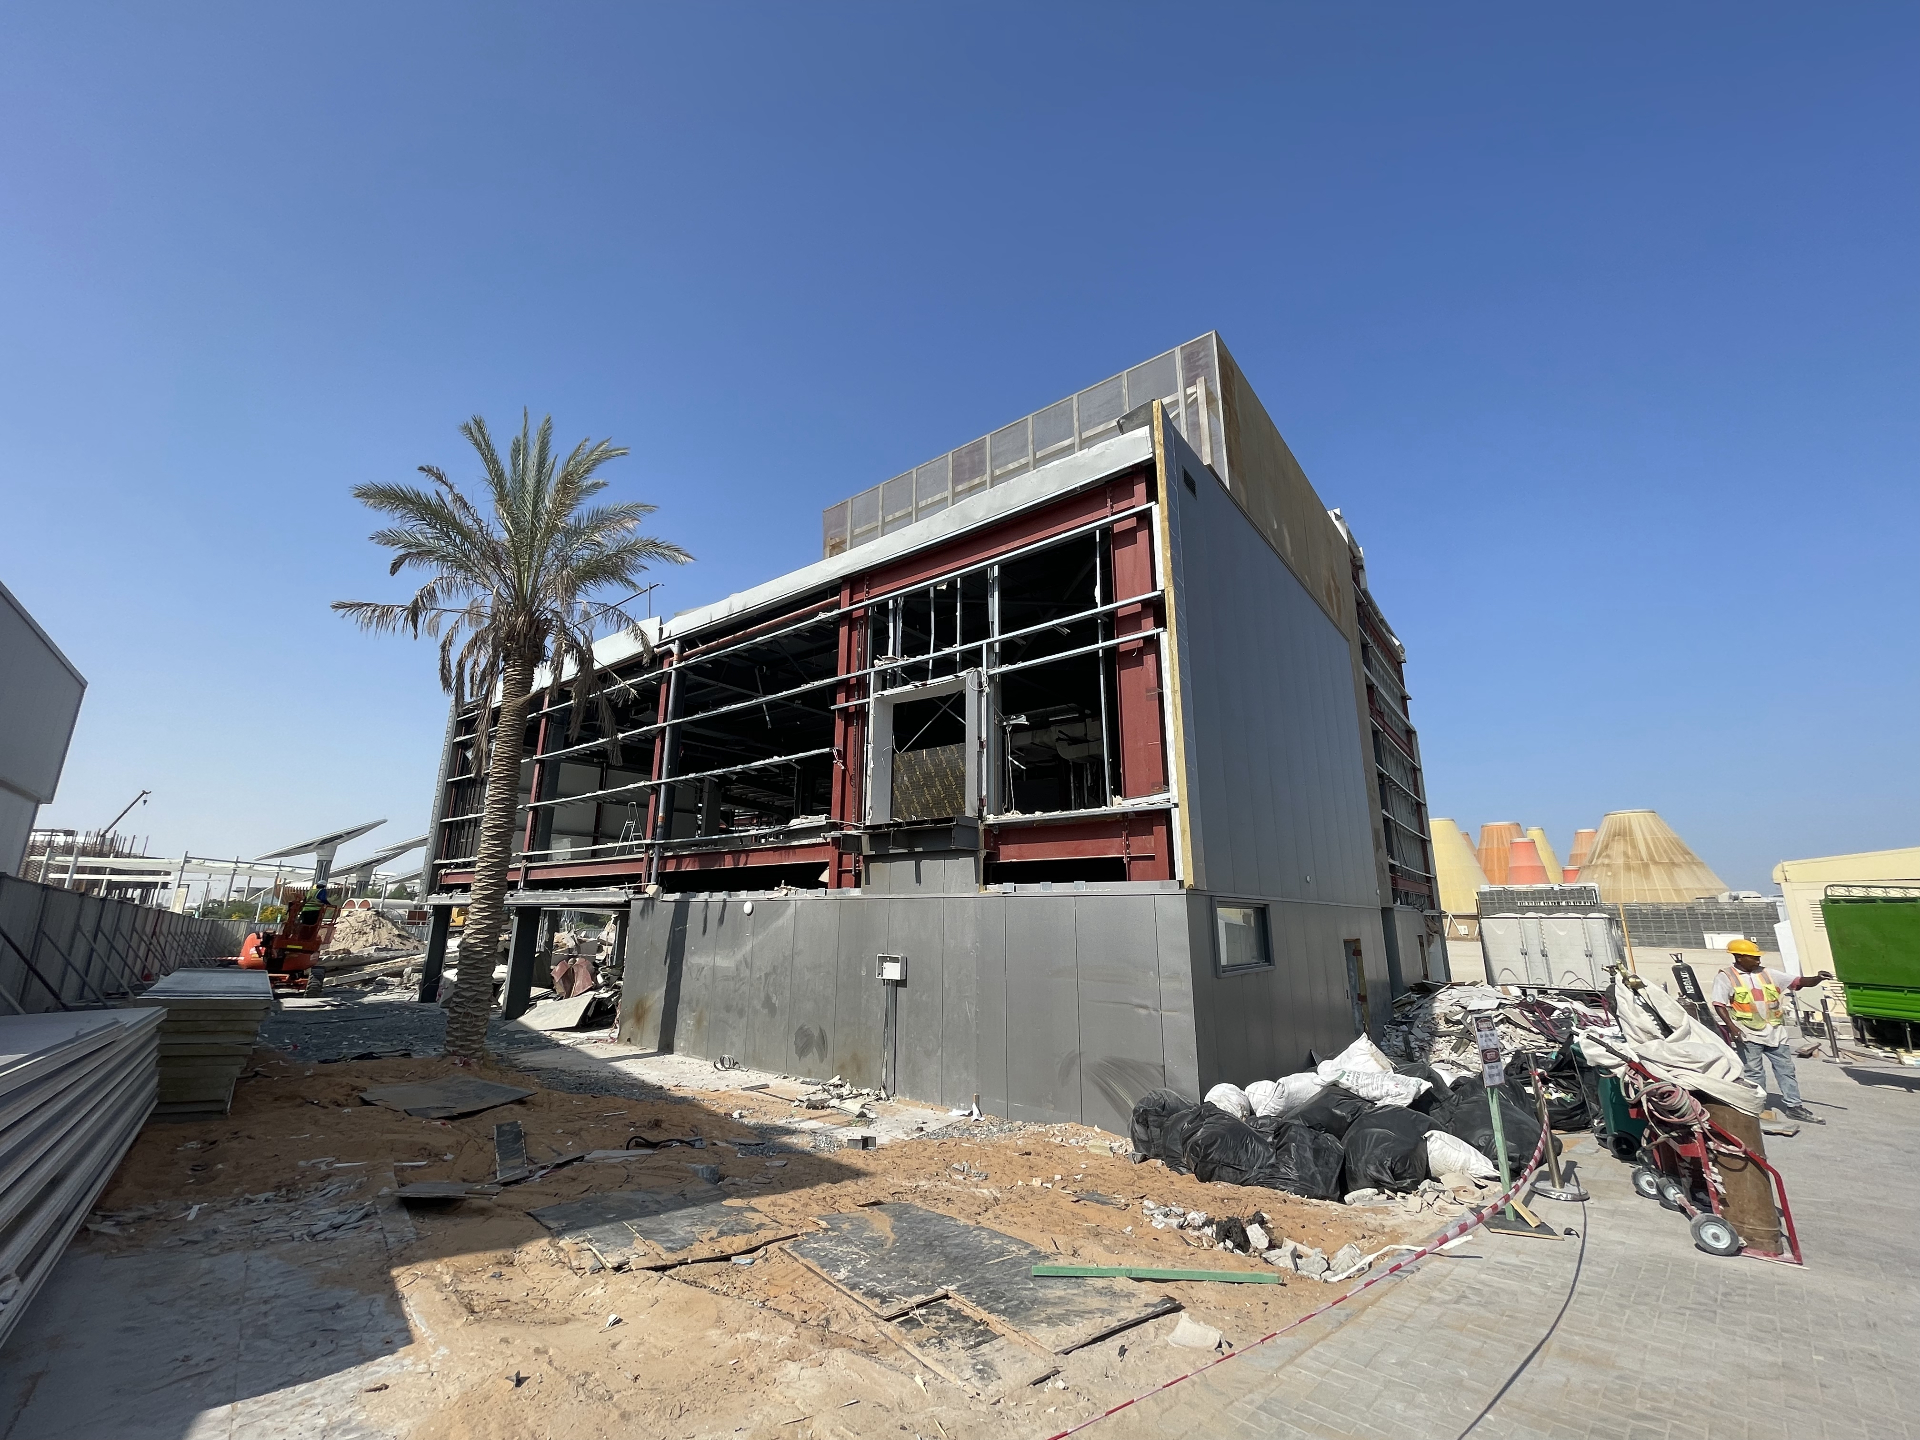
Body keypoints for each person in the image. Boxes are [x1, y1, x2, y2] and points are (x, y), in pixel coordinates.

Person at [1710, 938, 1832, 1124]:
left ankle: (1794, 1106)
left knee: (1786, 1070)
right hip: (1748, 1033)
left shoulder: (1767, 973)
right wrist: (1733, 1028)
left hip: (1775, 1032)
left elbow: (1799, 982)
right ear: (1739, 957)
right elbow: (1719, 1004)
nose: (1758, 960)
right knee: (1754, 1073)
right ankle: (1758, 1107)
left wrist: (1817, 978)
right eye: (1753, 957)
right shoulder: (1726, 977)